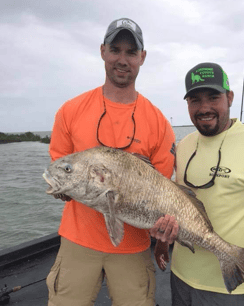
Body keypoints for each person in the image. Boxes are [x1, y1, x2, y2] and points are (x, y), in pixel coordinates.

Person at [46, 18, 177, 306]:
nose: (122, 59)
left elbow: (163, 192)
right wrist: (60, 190)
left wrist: (164, 234)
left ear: (142, 58)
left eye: (131, 52)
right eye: (115, 49)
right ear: (103, 51)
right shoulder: (70, 111)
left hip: (133, 246)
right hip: (77, 241)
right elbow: (60, 175)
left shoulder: (159, 123)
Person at [154, 62, 244, 306]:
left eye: (213, 97)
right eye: (195, 100)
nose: (204, 108)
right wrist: (161, 242)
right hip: (180, 276)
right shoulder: (184, 145)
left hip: (234, 286)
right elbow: (174, 204)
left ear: (229, 97)